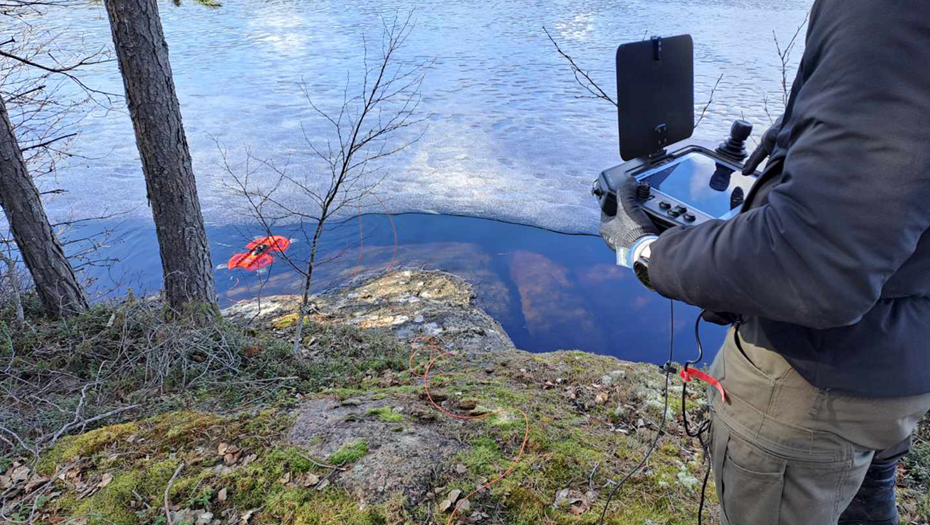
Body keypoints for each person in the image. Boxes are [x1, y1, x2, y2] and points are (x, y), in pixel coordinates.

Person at [598, 1, 930, 524]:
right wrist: (810, 130)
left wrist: (643, 253)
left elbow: (810, 266)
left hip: (814, 384)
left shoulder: (888, 12)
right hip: (902, 354)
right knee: (866, 490)